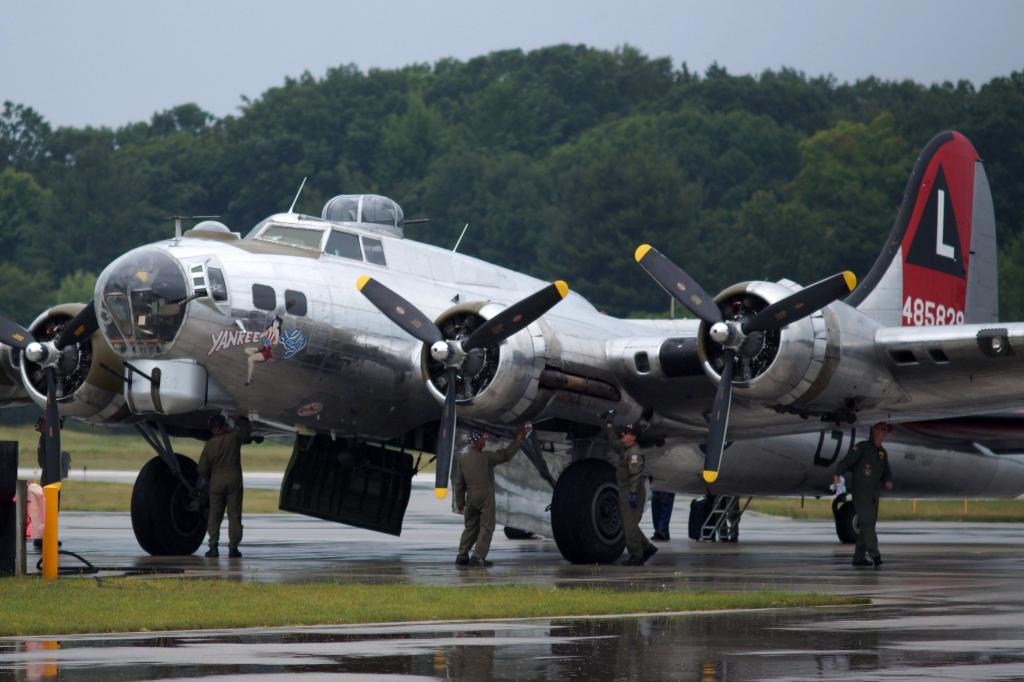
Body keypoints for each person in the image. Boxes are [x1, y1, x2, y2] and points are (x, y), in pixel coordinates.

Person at [453, 425, 529, 567]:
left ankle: (462, 555)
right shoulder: (485, 458)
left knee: (470, 527)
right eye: (482, 439)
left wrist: (459, 501)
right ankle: (478, 557)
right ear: (477, 441)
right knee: (487, 527)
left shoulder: (462, 459)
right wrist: (519, 439)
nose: (485, 441)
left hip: (470, 497)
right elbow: (506, 455)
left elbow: (459, 483)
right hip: (485, 496)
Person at [833, 421, 894, 568]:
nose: (884, 433)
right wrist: (837, 474)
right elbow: (847, 461)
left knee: (868, 524)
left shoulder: (882, 453)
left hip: (873, 494)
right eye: (882, 429)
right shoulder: (862, 447)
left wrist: (888, 481)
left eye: (886, 431)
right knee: (867, 524)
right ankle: (875, 555)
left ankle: (859, 558)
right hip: (861, 492)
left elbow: (886, 470)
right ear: (874, 430)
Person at [197, 414, 252, 558]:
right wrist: (239, 419)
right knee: (234, 516)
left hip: (216, 483)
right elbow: (246, 433)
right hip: (234, 480)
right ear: (223, 425)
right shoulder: (233, 438)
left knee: (214, 515)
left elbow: (202, 469)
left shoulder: (209, 445)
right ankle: (233, 548)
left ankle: (213, 548)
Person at [606, 419, 657, 565]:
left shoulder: (634, 454)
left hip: (632, 492)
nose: (623, 435)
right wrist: (610, 426)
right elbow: (614, 443)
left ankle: (637, 556)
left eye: (627, 434)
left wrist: (633, 494)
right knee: (629, 524)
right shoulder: (625, 448)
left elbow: (635, 476)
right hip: (625, 492)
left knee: (629, 527)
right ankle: (647, 548)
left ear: (633, 437)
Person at [244, 316, 282, 385]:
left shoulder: (277, 331)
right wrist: (261, 335)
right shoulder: (270, 328)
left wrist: (272, 342)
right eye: (275, 322)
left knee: (250, 359)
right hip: (262, 348)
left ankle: (248, 380)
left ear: (279, 325)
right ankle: (261, 359)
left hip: (267, 351)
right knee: (246, 350)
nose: (275, 324)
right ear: (273, 322)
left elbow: (276, 342)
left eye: (277, 323)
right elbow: (262, 335)